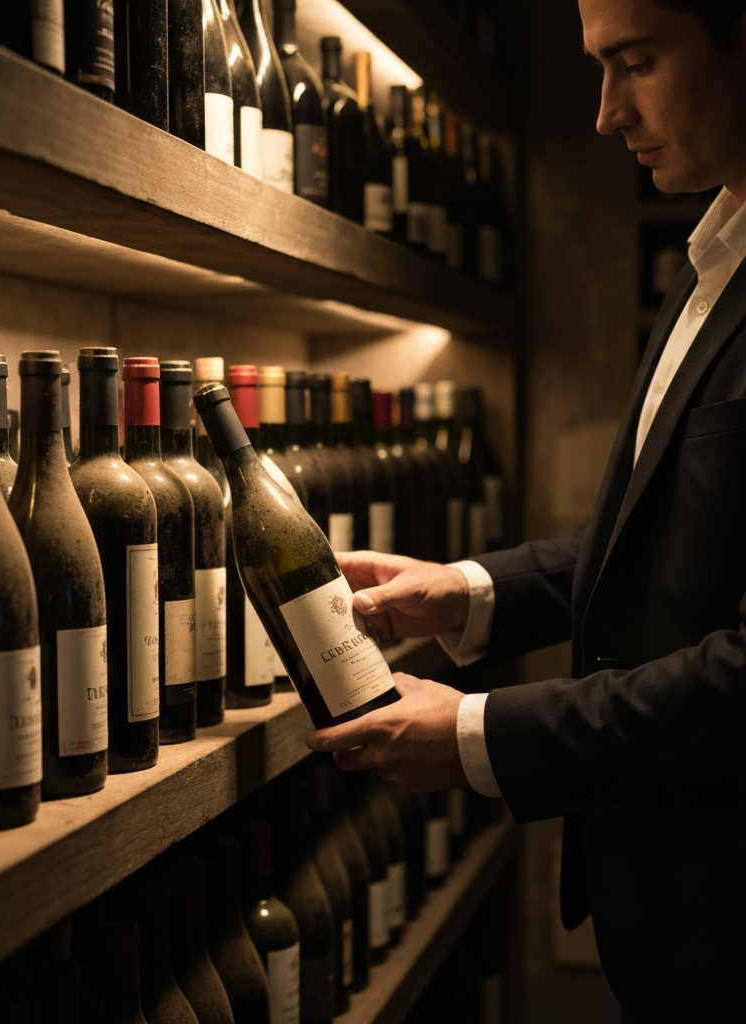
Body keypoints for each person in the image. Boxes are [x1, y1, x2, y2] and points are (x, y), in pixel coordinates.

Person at [304, 1, 746, 1021]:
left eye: (634, 62)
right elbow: (675, 536)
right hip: (675, 910)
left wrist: (475, 731)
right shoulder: (717, 255)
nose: (602, 113)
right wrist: (463, 592)